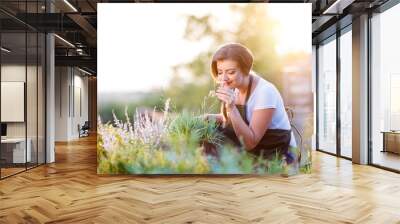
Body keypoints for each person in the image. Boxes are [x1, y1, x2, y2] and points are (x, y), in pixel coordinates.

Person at [206, 43, 296, 159]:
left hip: (277, 156)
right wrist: (208, 117)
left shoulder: (264, 92)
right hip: (257, 151)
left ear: (246, 70)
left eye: (231, 72)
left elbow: (250, 143)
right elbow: (232, 119)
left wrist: (231, 107)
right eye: (220, 72)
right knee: (207, 137)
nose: (224, 78)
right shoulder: (236, 88)